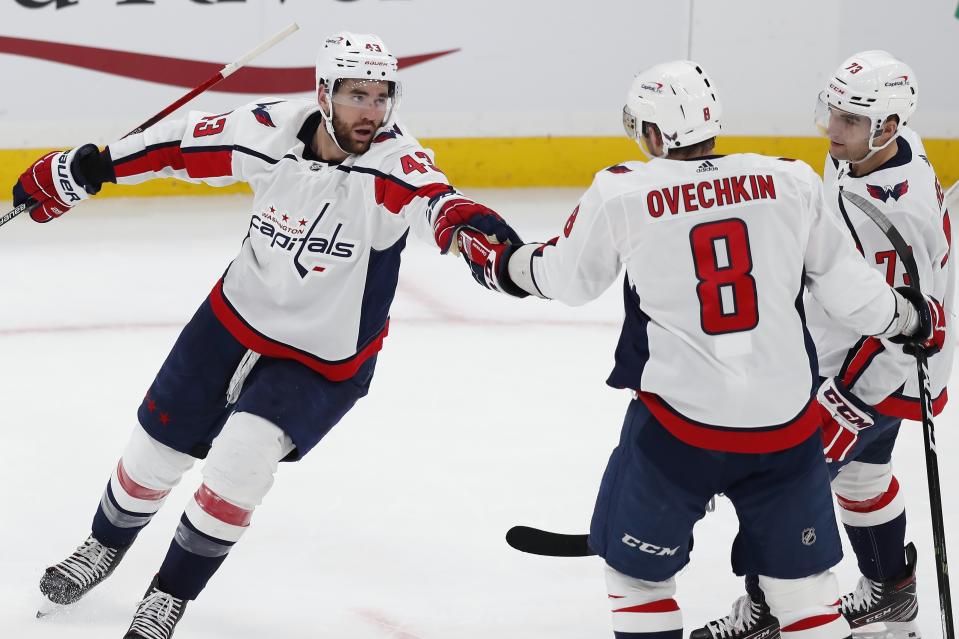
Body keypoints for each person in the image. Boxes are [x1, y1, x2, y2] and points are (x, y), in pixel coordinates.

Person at [14, 31, 520, 639]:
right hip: (232, 320)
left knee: (240, 462)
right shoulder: (267, 131)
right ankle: (101, 548)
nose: (372, 111)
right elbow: (180, 144)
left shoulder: (393, 164)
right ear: (324, 92)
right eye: (357, 95)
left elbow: (440, 203)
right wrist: (90, 166)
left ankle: (167, 594)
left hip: (322, 356)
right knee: (154, 450)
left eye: (383, 96)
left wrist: (481, 238)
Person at [451, 60, 945, 639]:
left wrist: (498, 262)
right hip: (786, 428)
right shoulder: (790, 179)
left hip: (682, 433)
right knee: (808, 591)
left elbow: (565, 278)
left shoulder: (624, 190)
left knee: (639, 583)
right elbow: (853, 293)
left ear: (654, 136)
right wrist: (911, 315)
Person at [694, 51, 954, 639]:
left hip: (879, 372)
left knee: (780, 483)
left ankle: (766, 611)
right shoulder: (868, 151)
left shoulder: (897, 212)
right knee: (860, 480)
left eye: (849, 120)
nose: (832, 129)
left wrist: (844, 400)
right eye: (831, 112)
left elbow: (903, 326)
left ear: (886, 126)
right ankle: (891, 595)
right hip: (848, 353)